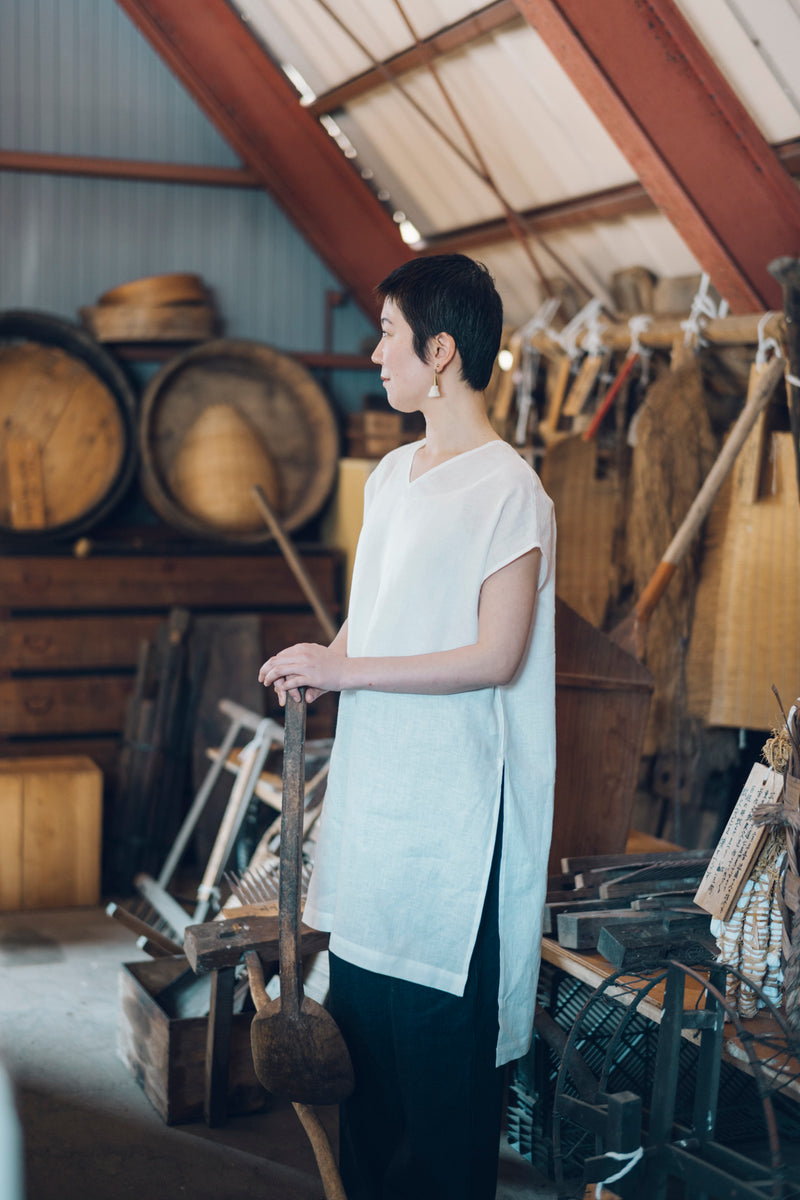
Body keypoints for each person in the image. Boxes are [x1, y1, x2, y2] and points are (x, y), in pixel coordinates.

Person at [258, 253, 556, 1200]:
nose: (373, 352)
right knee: (370, 1083)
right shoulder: (390, 476)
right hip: (379, 822)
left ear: (442, 352)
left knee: (442, 1101)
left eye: (389, 333)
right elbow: (376, 619)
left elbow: (494, 656)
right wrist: (323, 660)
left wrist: (349, 669)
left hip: (453, 836)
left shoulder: (512, 491)